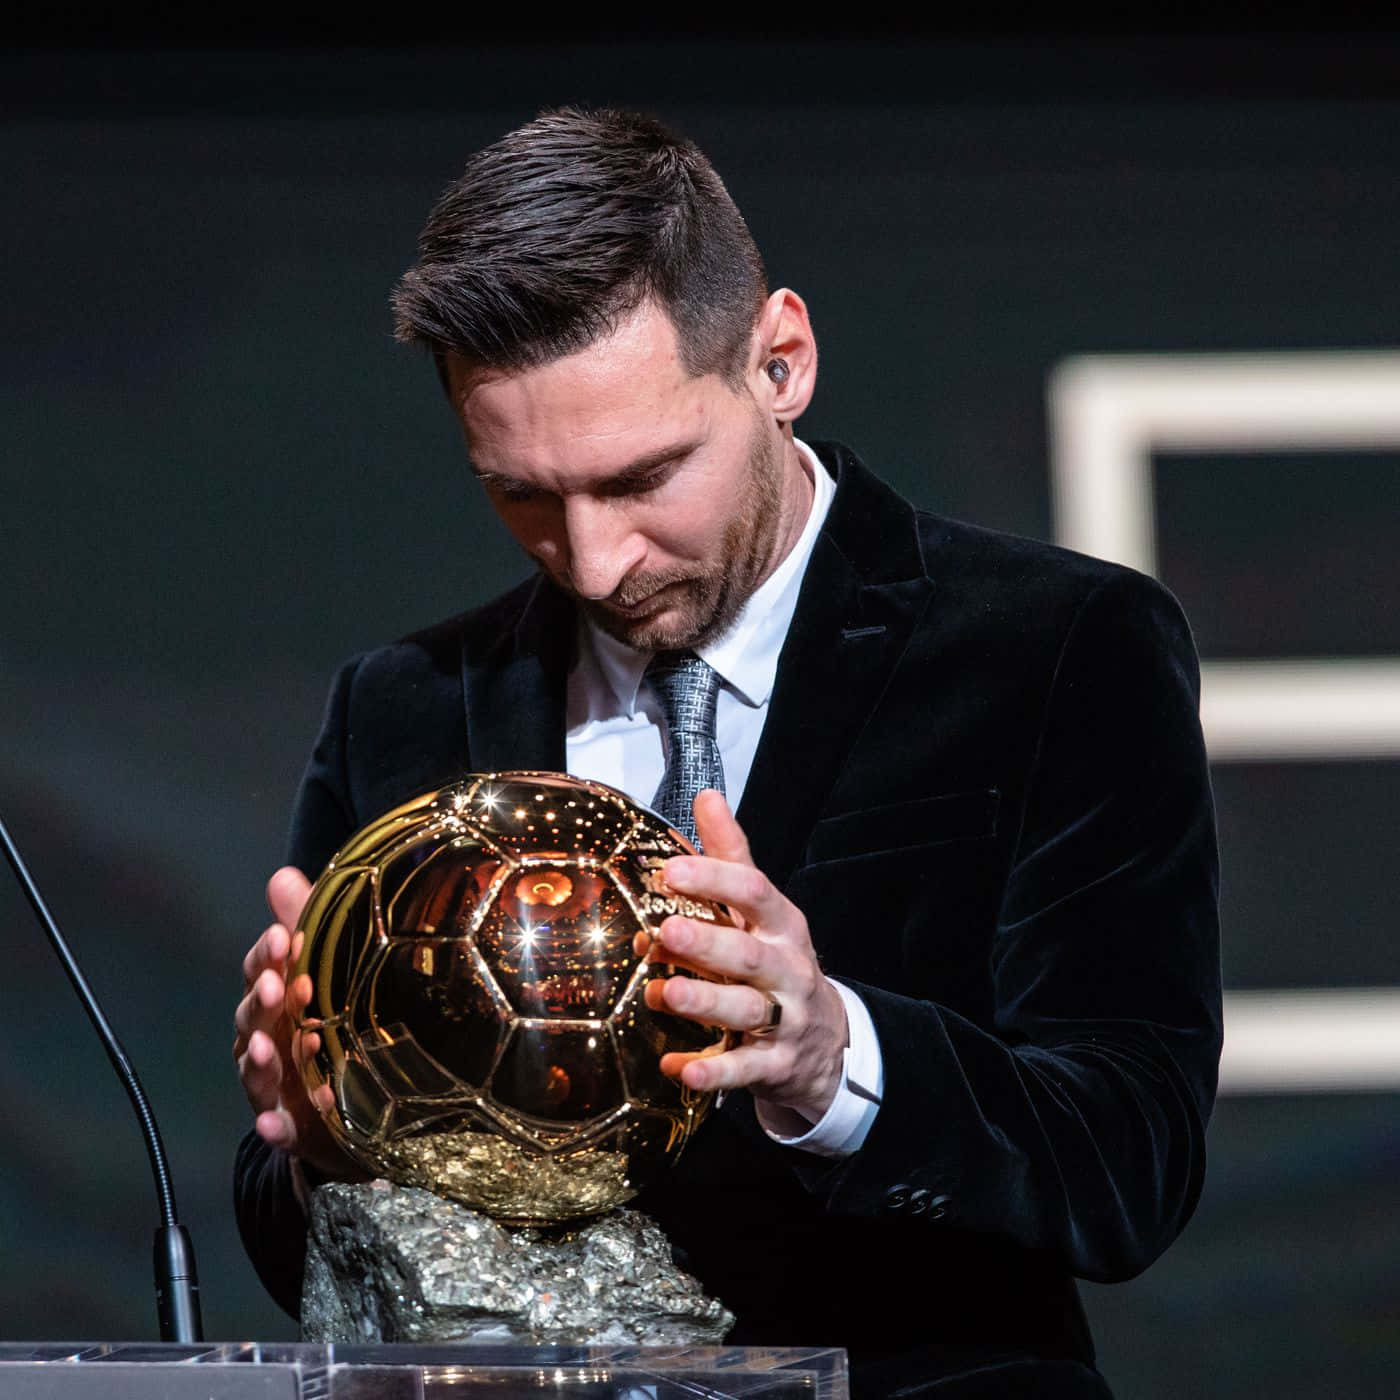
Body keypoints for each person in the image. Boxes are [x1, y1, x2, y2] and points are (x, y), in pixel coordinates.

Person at [233, 107, 1221, 1398]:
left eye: (644, 477)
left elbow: (1125, 1164)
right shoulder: (404, 708)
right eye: (523, 493)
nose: (594, 561)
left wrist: (832, 1056)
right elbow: (290, 1233)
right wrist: (323, 1143)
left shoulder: (1057, 648)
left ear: (780, 362)